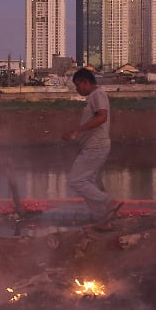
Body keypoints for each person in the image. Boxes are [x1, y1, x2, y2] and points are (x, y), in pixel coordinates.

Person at [62, 68, 122, 230]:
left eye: (77, 85)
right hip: (92, 145)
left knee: (76, 181)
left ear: (85, 82)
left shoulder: (98, 94)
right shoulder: (93, 97)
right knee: (87, 183)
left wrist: (78, 132)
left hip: (96, 146)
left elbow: (102, 116)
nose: (77, 89)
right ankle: (102, 220)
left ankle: (108, 201)